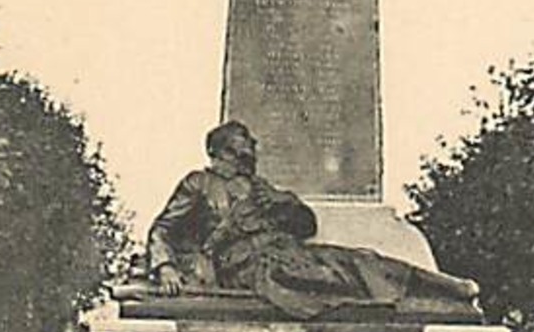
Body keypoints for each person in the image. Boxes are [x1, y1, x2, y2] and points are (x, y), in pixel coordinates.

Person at [147, 120, 482, 319]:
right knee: (330, 280)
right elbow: (163, 229)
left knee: (361, 260)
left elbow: (306, 226)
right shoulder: (199, 183)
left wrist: (286, 202)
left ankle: (449, 289)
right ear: (226, 148)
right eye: (246, 141)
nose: (255, 145)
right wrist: (165, 267)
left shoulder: (258, 187)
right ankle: (420, 297)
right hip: (250, 265)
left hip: (287, 251)